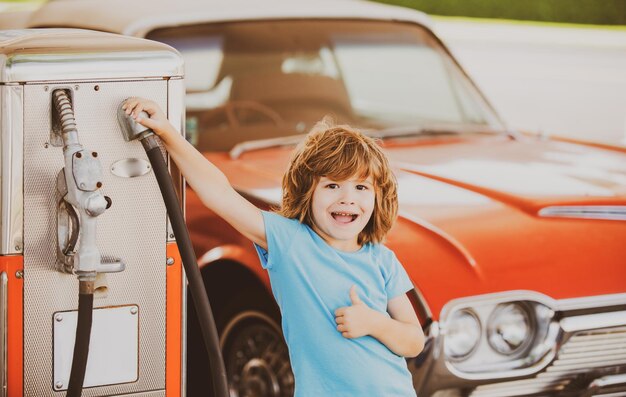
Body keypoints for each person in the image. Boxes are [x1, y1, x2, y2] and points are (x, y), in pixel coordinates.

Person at [123, 98, 425, 396]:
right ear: (308, 193)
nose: (347, 198)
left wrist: (374, 323)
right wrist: (167, 133)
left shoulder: (382, 259)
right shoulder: (290, 241)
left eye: (361, 187)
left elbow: (414, 340)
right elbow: (219, 194)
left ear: (377, 198)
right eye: (332, 185)